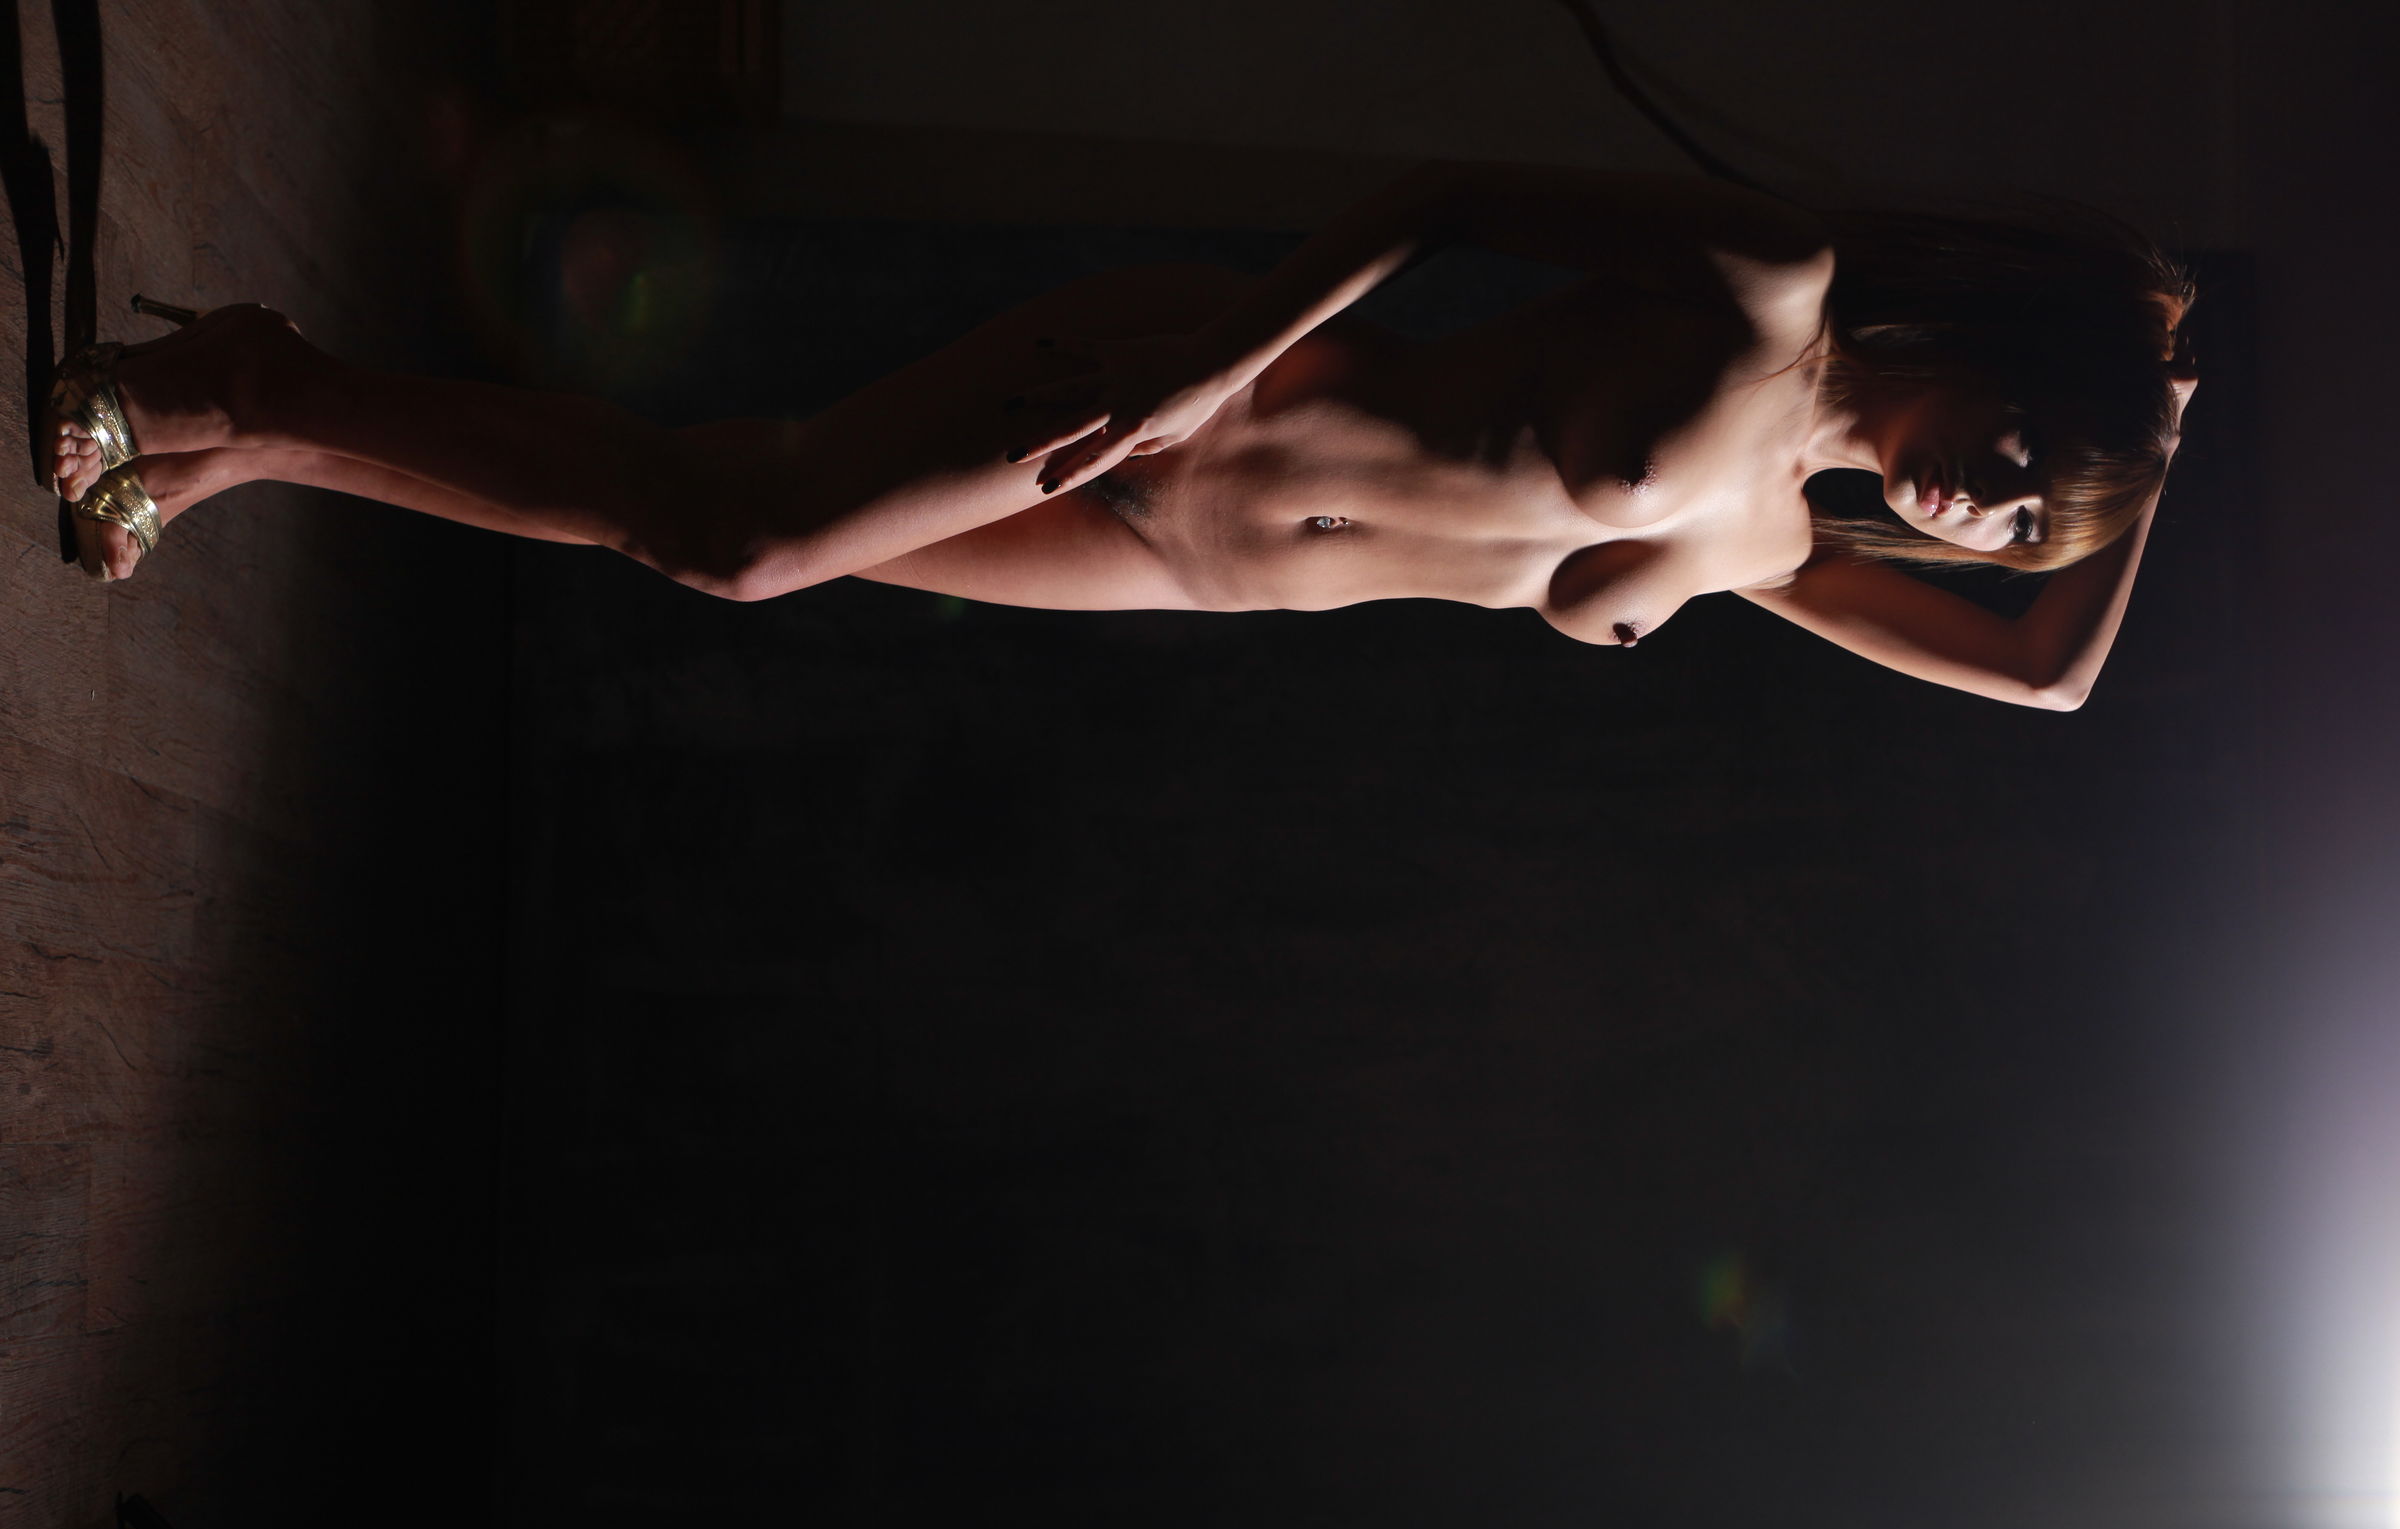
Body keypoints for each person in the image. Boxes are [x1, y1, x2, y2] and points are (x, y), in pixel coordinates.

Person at [41, 159, 2196, 710]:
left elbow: (2049, 678)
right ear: (2005, 347)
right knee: (741, 541)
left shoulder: (1773, 556)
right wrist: (1200, 367)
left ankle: (263, 424)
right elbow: (1443, 200)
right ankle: (261, 389)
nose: (1990, 499)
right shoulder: (1771, 291)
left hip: (1183, 571)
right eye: (2030, 445)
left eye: (2021, 519)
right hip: (1198, 398)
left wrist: (2152, 448)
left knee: (701, 527)